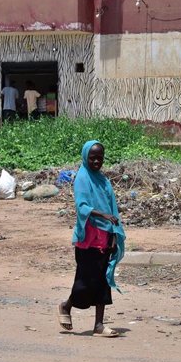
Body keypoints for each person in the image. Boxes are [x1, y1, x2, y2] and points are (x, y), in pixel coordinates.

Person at [57, 140, 125, 337]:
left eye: (100, 158)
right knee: (85, 282)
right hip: (87, 240)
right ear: (86, 157)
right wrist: (102, 215)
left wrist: (113, 236)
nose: (96, 161)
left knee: (103, 281)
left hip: (104, 239)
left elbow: (113, 210)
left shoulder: (104, 181)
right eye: (93, 157)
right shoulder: (82, 178)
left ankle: (99, 325)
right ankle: (66, 306)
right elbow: (82, 206)